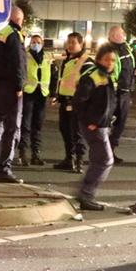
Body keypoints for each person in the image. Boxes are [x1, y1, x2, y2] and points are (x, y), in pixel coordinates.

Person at [72, 43, 120, 211]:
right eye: (107, 59)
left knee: (99, 160)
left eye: (113, 60)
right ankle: (86, 194)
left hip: (102, 125)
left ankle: (85, 193)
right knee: (105, 160)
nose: (110, 63)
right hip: (94, 126)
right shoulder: (92, 76)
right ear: (99, 59)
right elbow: (79, 101)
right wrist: (89, 122)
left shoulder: (108, 76)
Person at [0, 5, 28, 183]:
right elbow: (18, 62)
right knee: (12, 129)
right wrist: (19, 86)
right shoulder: (13, 33)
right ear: (18, 19)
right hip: (10, 88)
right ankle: (4, 169)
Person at [52, 31, 90, 172]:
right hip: (65, 101)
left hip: (77, 103)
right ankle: (69, 159)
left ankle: (79, 162)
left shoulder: (86, 61)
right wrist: (58, 96)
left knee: (77, 133)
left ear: (81, 44)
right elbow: (63, 80)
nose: (70, 45)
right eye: (69, 42)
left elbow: (88, 83)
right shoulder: (67, 59)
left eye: (74, 43)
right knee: (65, 131)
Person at [107, 25, 136, 163]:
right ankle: (104, 152)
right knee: (107, 124)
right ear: (114, 35)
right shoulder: (108, 51)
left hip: (126, 93)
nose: (124, 35)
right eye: (122, 33)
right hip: (113, 93)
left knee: (120, 124)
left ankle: (111, 151)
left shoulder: (127, 47)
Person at [18, 33, 52, 167]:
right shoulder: (25, 55)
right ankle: (22, 154)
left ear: (42, 44)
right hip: (28, 93)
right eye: (33, 42)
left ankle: (35, 155)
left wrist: (53, 93)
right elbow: (20, 72)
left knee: (37, 126)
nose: (35, 44)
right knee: (25, 125)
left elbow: (53, 75)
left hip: (42, 94)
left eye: (38, 42)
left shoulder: (47, 57)